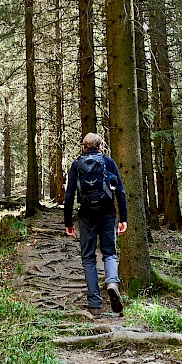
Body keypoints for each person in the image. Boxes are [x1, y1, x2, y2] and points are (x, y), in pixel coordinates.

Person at [64, 132, 127, 317]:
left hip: (85, 215)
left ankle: (95, 306)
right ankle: (112, 283)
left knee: (88, 258)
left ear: (83, 147)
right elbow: (120, 192)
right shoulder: (108, 162)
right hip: (108, 213)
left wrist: (68, 222)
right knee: (109, 253)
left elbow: (69, 196)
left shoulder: (76, 165)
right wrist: (124, 219)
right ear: (100, 146)